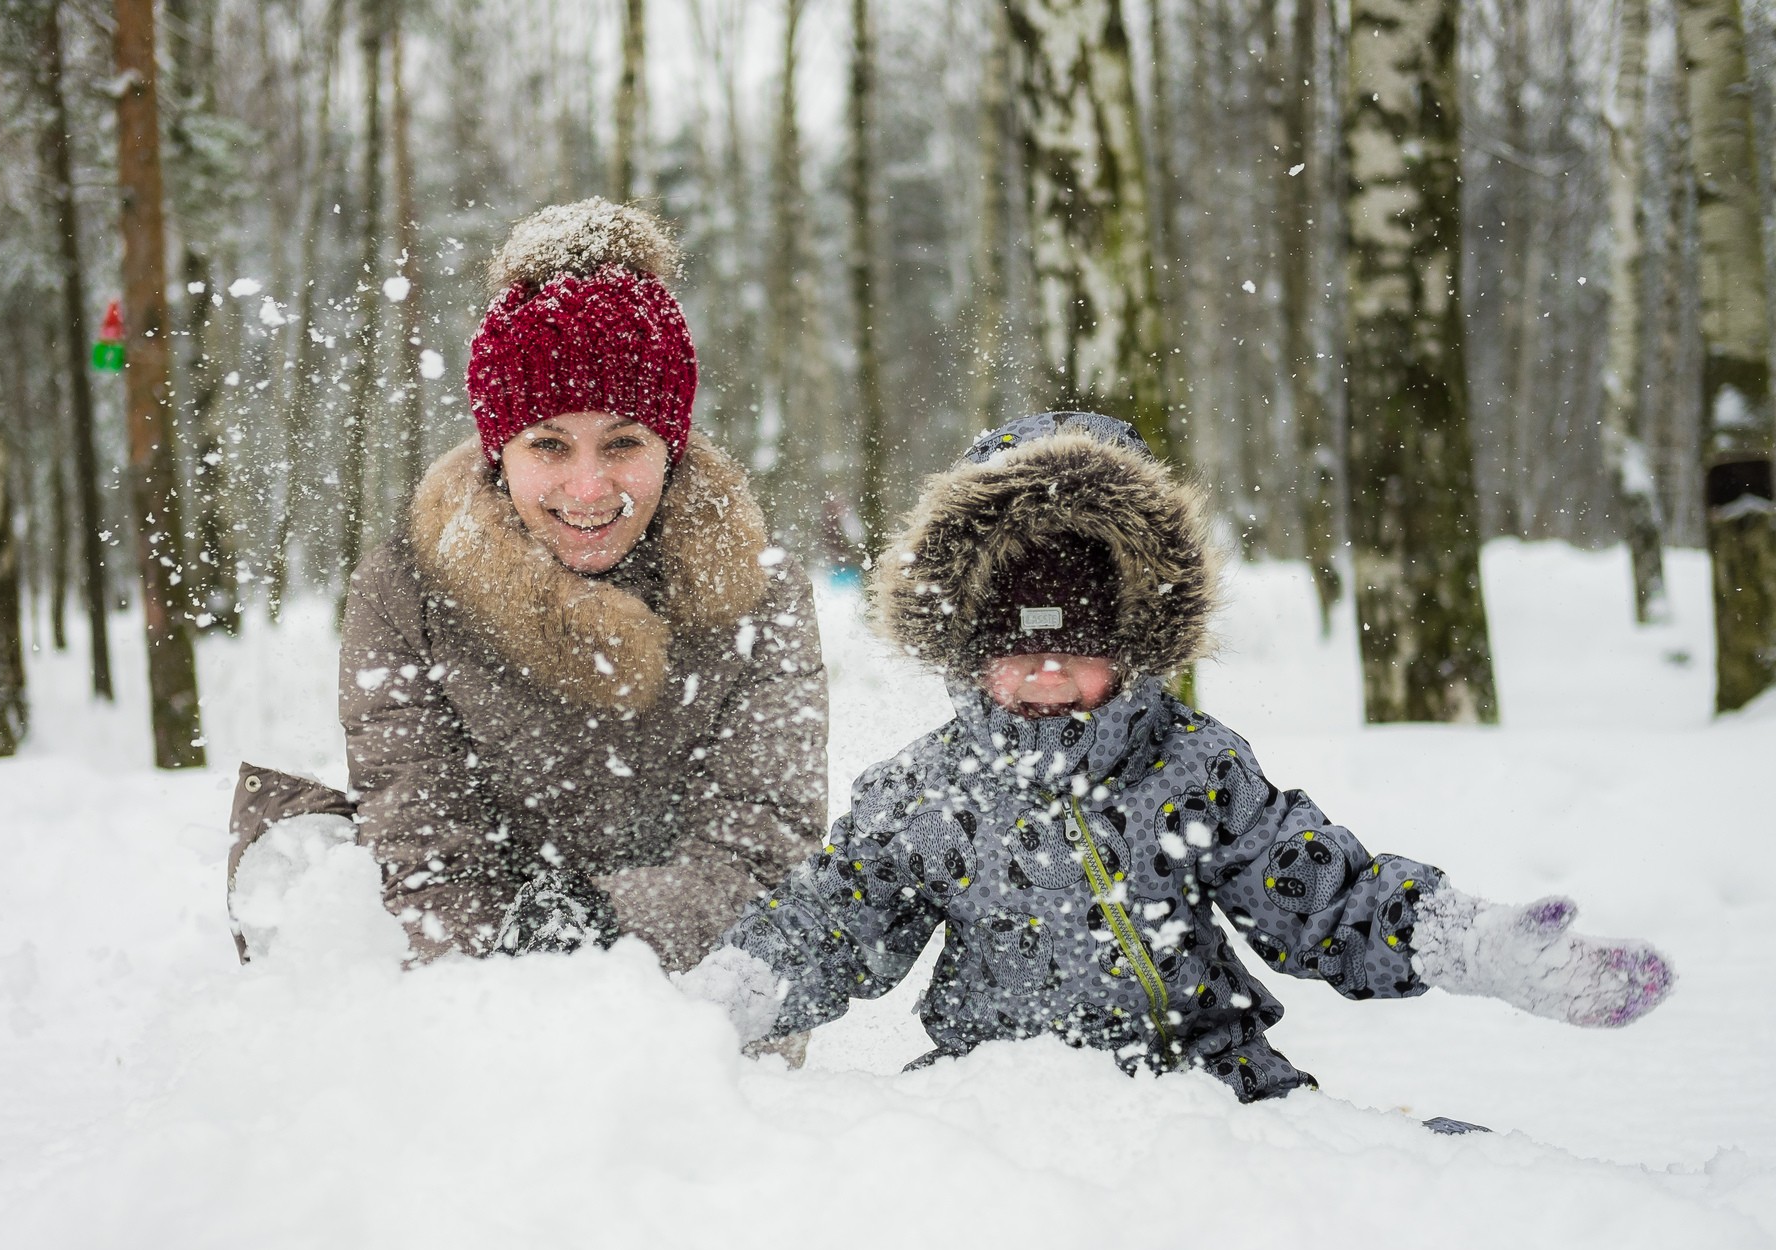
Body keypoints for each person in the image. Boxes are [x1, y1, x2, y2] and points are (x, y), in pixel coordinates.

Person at [678, 412, 1672, 1105]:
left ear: (1139, 635)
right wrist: (729, 996)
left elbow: (1324, 897)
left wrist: (1472, 944)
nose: (1046, 673)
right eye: (1015, 645)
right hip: (998, 1092)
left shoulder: (1190, 770)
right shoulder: (921, 794)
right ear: (964, 645)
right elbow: (832, 915)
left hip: (1209, 1089)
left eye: (1077, 641)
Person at [227, 199, 827, 975]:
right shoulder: (409, 587)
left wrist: (600, 931)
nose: (588, 488)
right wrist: (519, 971)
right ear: (498, 451)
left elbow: (764, 844)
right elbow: (422, 839)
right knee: (316, 863)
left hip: (690, 997)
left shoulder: (755, 585)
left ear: (669, 447)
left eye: (622, 443)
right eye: (548, 444)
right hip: (478, 980)